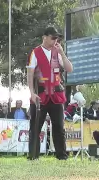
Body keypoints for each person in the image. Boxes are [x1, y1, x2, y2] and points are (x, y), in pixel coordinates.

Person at [26, 27, 73, 160]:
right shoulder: (35, 52)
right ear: (44, 37)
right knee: (36, 126)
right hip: (40, 96)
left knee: (59, 127)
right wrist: (32, 93)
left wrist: (62, 53)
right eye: (53, 37)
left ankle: (62, 156)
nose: (55, 40)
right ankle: (33, 156)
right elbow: (30, 74)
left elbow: (69, 69)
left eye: (56, 38)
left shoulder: (57, 52)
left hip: (57, 96)